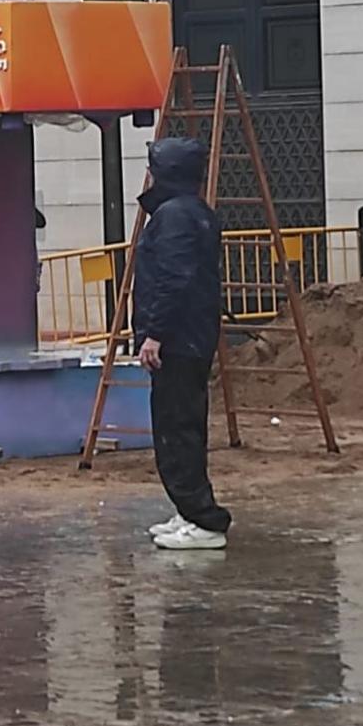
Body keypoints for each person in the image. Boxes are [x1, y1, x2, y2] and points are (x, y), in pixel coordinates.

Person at [134, 137, 232, 552]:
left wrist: (155, 333)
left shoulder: (173, 217)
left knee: (177, 430)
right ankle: (190, 509)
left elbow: (173, 278)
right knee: (183, 426)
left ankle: (203, 519)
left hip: (177, 341)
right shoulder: (195, 213)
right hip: (191, 337)